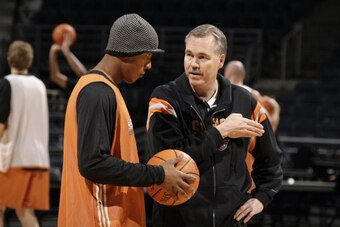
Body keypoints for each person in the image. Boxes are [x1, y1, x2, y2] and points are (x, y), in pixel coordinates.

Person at [58, 14, 195, 227]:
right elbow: (93, 163)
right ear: (130, 53)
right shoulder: (97, 93)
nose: (149, 66)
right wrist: (157, 174)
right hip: (99, 219)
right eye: (147, 57)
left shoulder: (104, 89)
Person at [146, 24, 283, 226]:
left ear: (220, 60)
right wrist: (222, 131)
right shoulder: (165, 99)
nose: (193, 63)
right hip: (178, 220)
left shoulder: (245, 101)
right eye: (189, 55)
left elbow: (271, 161)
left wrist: (261, 198)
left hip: (232, 220)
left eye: (202, 57)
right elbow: (168, 159)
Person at [0, 40, 49, 227]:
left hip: (13, 159)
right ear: (30, 61)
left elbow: (1, 125)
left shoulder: (6, 84)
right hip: (38, 160)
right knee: (25, 212)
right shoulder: (40, 86)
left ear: (8, 59)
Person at [224, 60, 281, 132]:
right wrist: (276, 109)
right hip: (246, 139)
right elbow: (269, 128)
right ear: (243, 75)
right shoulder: (253, 94)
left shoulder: (218, 92)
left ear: (227, 74)